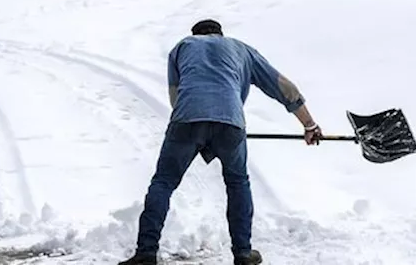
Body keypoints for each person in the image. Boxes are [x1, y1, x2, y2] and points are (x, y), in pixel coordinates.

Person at [118, 19, 322, 265]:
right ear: (220, 34)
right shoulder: (241, 49)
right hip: (231, 122)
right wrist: (309, 125)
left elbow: (176, 94)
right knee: (237, 182)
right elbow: (283, 87)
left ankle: (146, 253)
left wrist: (198, 131)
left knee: (163, 182)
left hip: (187, 119)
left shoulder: (182, 47)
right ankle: (243, 253)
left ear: (195, 34)